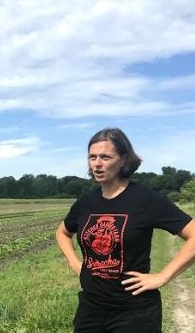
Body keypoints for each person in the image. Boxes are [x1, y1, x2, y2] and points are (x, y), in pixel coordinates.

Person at [55, 127, 195, 333]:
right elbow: (63, 232)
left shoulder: (145, 199)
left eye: (105, 157)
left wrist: (163, 276)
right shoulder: (87, 202)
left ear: (123, 160)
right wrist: (76, 263)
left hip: (135, 312)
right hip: (91, 308)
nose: (97, 164)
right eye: (92, 157)